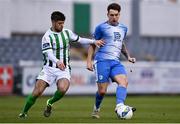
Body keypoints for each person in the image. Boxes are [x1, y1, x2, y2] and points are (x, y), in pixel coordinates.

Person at [19, 11, 104, 118]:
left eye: (63, 23)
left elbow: (80, 39)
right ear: (53, 22)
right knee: (37, 92)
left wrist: (94, 41)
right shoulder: (47, 36)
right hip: (48, 68)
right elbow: (48, 53)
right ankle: (24, 113)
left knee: (63, 89)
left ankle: (50, 102)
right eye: (59, 23)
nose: (62, 25)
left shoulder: (67, 32)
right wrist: (57, 61)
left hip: (63, 69)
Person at [86, 3, 136, 119]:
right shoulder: (100, 28)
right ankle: (96, 109)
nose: (114, 17)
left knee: (123, 82)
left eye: (116, 15)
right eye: (111, 15)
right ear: (107, 14)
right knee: (102, 91)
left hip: (116, 62)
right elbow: (93, 44)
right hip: (102, 61)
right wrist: (89, 61)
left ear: (119, 15)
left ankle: (119, 106)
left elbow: (121, 43)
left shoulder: (123, 28)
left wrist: (128, 56)